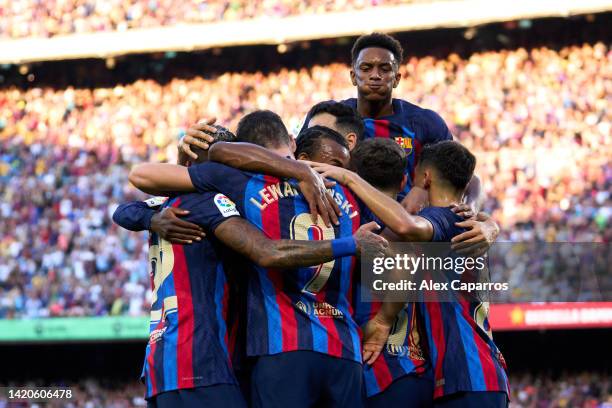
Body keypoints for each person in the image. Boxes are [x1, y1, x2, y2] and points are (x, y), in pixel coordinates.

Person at [126, 111, 394, 408]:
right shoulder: (352, 193)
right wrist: (384, 319)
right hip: (347, 352)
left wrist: (150, 216)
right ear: (293, 143)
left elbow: (139, 182)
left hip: (277, 348)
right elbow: (411, 239)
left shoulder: (240, 182)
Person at [309, 139, 510, 408]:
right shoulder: (466, 224)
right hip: (470, 374)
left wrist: (350, 178)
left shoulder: (445, 219)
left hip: (469, 374)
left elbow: (406, 229)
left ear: (424, 178)